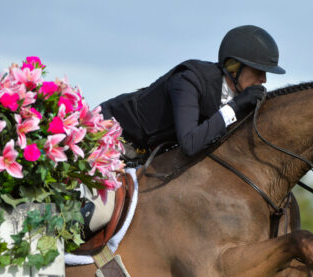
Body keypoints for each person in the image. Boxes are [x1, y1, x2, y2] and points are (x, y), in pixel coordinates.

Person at [83, 25, 286, 237]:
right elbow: (189, 143)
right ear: (234, 68)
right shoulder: (190, 80)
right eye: (258, 71)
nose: (263, 79)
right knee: (100, 213)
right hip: (107, 137)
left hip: (144, 158)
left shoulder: (238, 98)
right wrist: (234, 109)